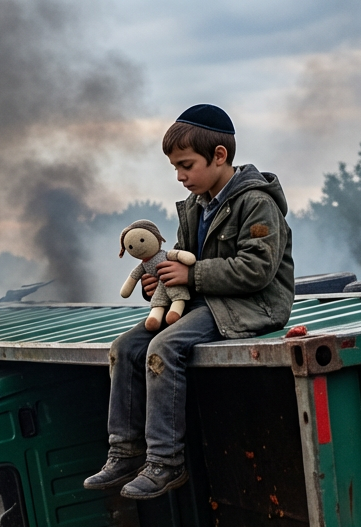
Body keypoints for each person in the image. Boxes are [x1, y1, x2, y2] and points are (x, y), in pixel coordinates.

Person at [85, 103, 295, 499]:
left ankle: (166, 462)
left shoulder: (256, 202)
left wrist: (191, 276)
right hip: (208, 302)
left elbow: (257, 270)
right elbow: (180, 257)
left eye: (186, 165)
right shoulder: (197, 207)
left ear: (219, 156)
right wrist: (161, 284)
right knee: (126, 347)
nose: (180, 177)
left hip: (253, 305)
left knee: (163, 347)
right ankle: (125, 451)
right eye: (175, 168)